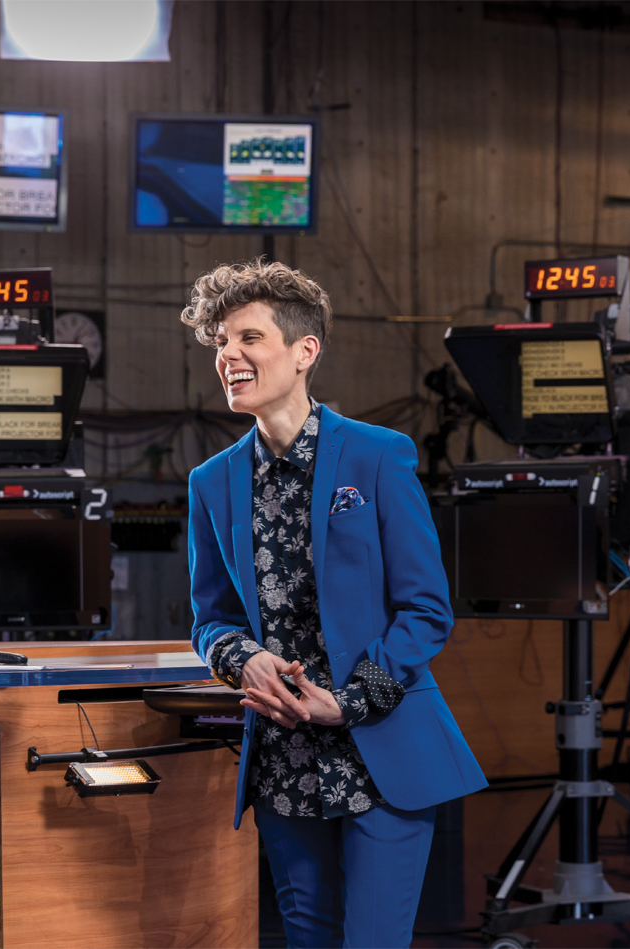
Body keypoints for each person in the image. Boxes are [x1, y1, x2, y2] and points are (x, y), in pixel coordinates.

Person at [181, 259, 487, 949]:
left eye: (249, 338)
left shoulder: (380, 456)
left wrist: (347, 702)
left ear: (303, 351)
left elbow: (426, 610)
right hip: (285, 759)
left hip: (382, 750)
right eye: (222, 342)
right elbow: (210, 618)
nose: (228, 354)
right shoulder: (210, 483)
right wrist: (243, 655)